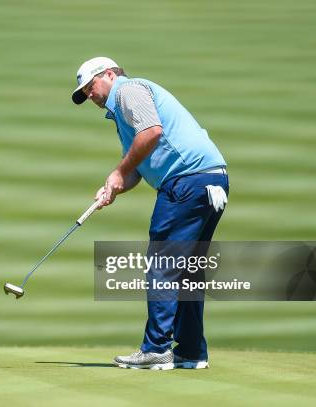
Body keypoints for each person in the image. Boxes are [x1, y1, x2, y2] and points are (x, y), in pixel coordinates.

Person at [71, 57, 229, 370]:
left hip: (187, 182)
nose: (89, 95)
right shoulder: (121, 110)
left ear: (110, 74)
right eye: (84, 92)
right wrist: (114, 186)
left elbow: (152, 133)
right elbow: (140, 167)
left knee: (163, 264)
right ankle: (191, 352)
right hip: (209, 179)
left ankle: (157, 348)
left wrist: (119, 171)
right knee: (187, 269)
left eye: (91, 86)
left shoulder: (127, 91)